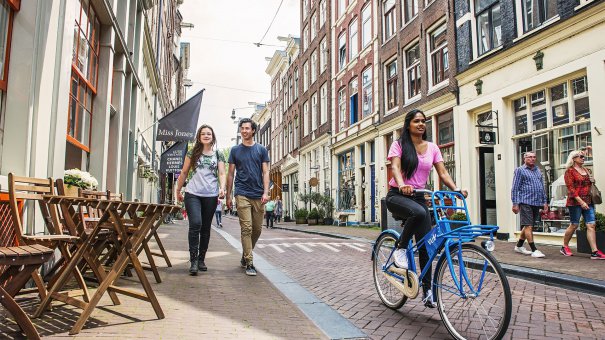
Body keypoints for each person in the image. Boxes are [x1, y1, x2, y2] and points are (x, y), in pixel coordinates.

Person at [385, 109, 467, 308]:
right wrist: (402, 183)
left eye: (424, 121)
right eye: (416, 121)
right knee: (420, 213)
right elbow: (395, 167)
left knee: (426, 247)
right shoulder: (399, 145)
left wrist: (456, 189)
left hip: (420, 197)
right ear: (408, 125)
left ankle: (428, 292)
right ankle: (401, 249)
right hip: (398, 195)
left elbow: (443, 172)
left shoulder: (432, 148)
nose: (421, 124)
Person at [176, 125, 226, 275]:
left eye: (208, 133)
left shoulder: (219, 154)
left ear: (213, 136)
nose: (206, 135)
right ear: (199, 137)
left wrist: (222, 188)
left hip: (210, 195)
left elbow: (222, 173)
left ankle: (201, 259)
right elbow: (184, 172)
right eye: (203, 133)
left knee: (205, 227)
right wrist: (178, 190)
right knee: (195, 223)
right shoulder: (193, 152)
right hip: (193, 193)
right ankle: (193, 261)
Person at [226, 118, 270, 276]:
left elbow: (266, 172)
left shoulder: (261, 150)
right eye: (242, 128)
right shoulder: (235, 150)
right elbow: (230, 174)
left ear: (253, 131)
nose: (244, 131)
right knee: (247, 228)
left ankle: (245, 255)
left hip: (258, 194)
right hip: (242, 192)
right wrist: (229, 196)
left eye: (247, 128)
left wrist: (265, 192)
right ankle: (250, 262)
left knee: (257, 230)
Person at [561, 148, 605, 259]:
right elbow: (571, 189)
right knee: (574, 224)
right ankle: (564, 246)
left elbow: (588, 185)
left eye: (584, 156)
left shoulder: (586, 170)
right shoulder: (569, 171)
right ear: (574, 158)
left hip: (589, 201)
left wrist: (592, 180)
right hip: (575, 202)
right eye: (581, 156)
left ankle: (595, 252)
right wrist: (581, 202)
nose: (583, 158)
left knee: (591, 225)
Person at [511, 151, 547, 258]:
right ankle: (534, 249)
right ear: (524, 159)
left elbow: (542, 187)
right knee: (528, 226)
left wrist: (544, 201)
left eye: (534, 157)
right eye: (529, 157)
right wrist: (515, 203)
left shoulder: (537, 170)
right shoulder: (520, 170)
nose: (532, 159)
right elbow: (515, 188)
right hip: (525, 201)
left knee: (529, 225)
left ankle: (519, 246)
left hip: (536, 202)